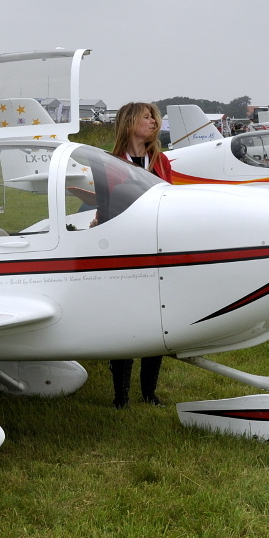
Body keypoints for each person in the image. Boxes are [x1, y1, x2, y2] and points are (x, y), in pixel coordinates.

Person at [108, 102, 173, 407]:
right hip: (123, 250)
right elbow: (106, 206)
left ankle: (149, 393)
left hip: (156, 246)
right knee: (123, 322)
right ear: (129, 122)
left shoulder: (161, 161)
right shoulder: (109, 162)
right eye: (146, 117)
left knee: (155, 319)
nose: (152, 122)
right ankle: (121, 396)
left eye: (153, 118)